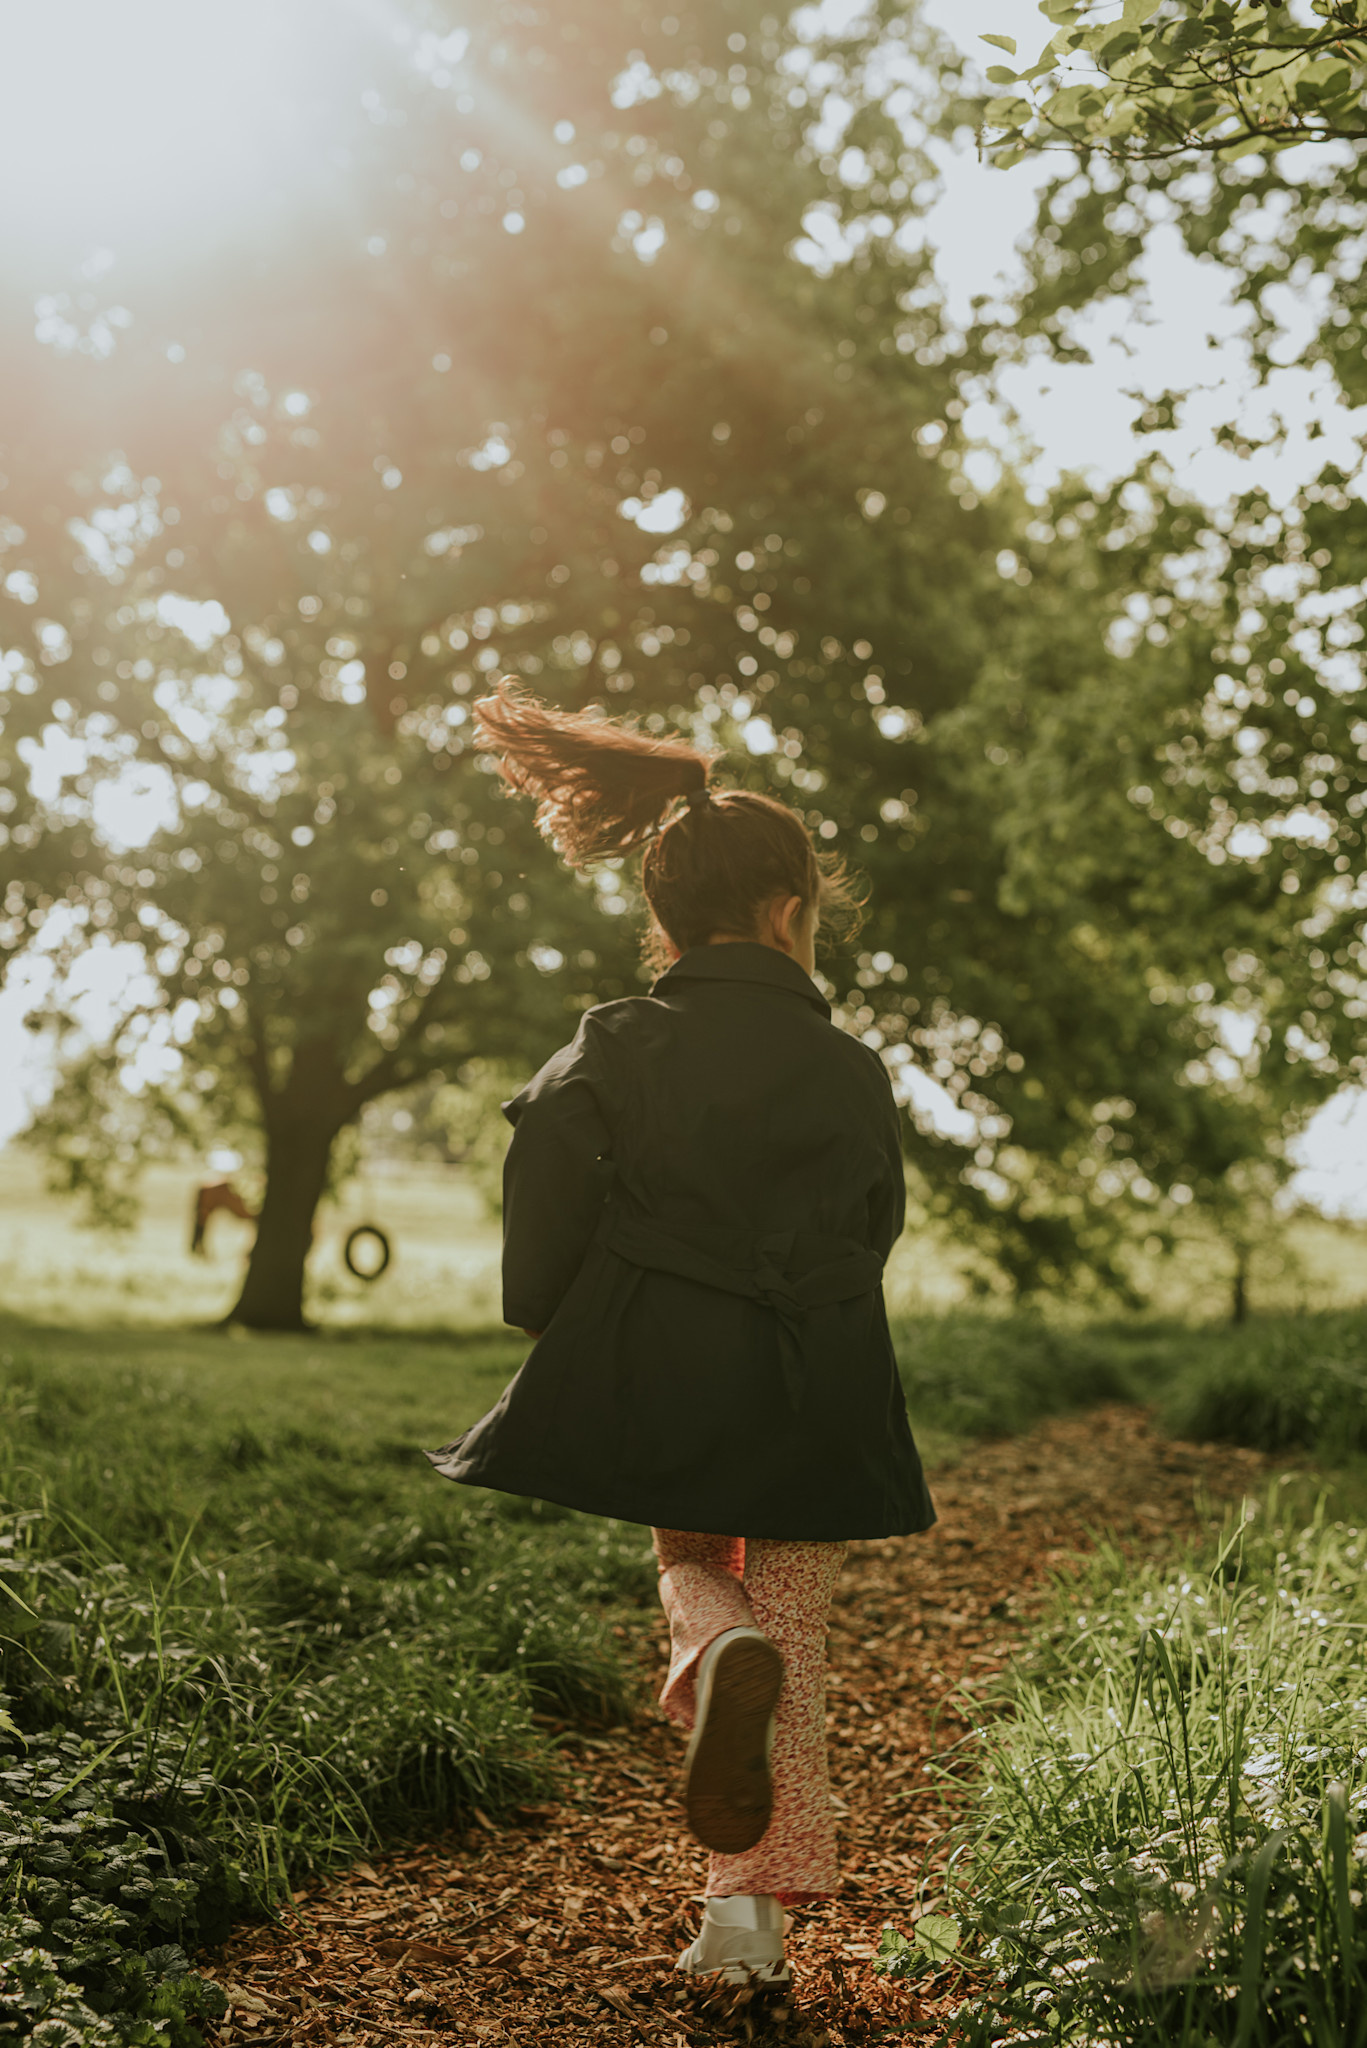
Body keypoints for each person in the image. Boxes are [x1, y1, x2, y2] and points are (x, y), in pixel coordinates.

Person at [425, 681, 935, 1986]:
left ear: (664, 923)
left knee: (695, 1572)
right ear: (787, 915)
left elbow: (544, 1154)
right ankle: (747, 1922)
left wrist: (558, 1309)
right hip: (818, 1380)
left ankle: (719, 1653)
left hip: (664, 1361)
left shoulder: (622, 1040)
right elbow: (871, 1222)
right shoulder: (853, 1070)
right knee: (797, 1640)